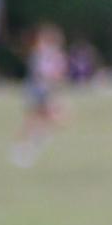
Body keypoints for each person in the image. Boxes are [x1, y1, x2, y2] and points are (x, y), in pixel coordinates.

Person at [11, 22, 68, 167]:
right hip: (39, 91)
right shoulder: (42, 54)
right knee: (45, 118)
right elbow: (43, 74)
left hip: (44, 91)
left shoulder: (51, 54)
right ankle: (26, 147)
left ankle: (32, 143)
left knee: (45, 119)